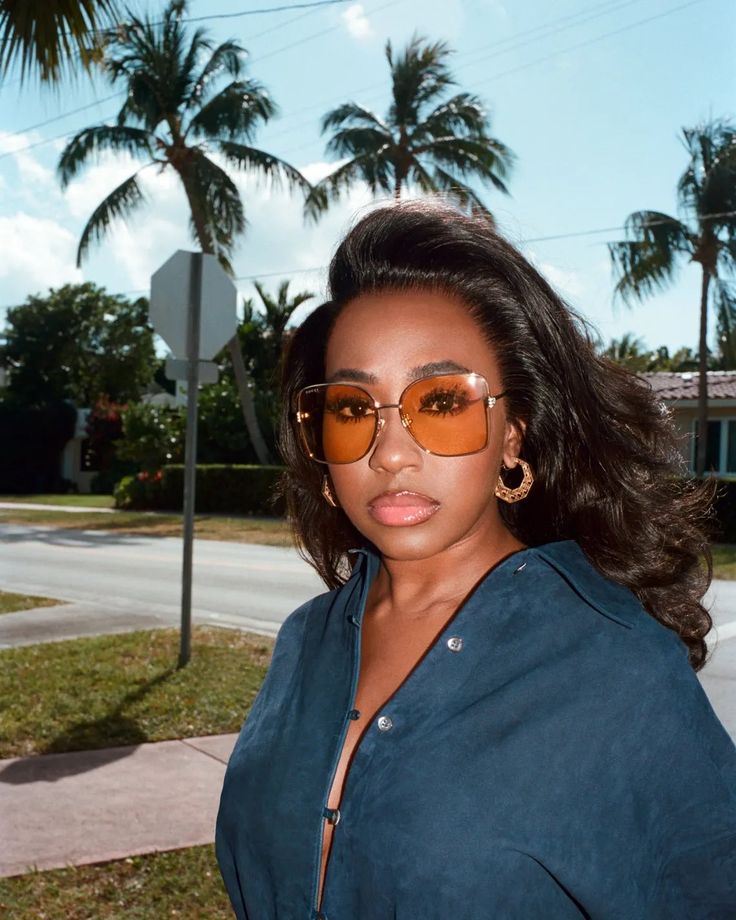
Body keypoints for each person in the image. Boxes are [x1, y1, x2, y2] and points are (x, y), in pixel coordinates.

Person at [215, 199, 736, 919]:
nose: (390, 451)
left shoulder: (615, 667)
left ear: (513, 435)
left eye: (441, 402)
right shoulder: (307, 640)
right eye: (351, 408)